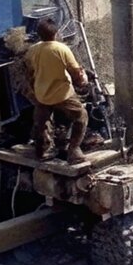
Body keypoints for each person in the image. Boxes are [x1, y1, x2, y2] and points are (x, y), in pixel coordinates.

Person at [25, 18, 89, 163]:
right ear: (56, 33)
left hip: (42, 94)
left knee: (42, 121)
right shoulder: (62, 49)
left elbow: (29, 71)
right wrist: (83, 81)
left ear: (39, 34)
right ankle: (74, 151)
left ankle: (43, 151)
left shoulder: (33, 50)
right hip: (63, 94)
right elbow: (75, 72)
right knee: (81, 116)